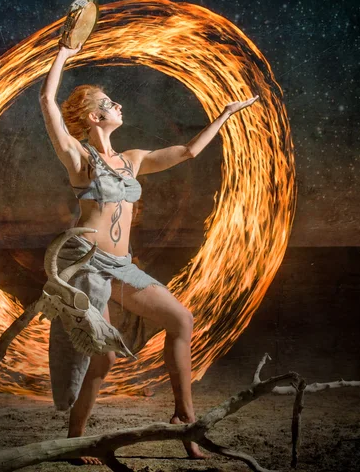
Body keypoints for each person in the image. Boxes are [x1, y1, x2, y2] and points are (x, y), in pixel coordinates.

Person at [40, 41, 258, 463]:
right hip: (85, 265)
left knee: (181, 319)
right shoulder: (78, 157)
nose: (118, 104)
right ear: (93, 116)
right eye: (109, 102)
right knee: (101, 361)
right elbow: (48, 99)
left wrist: (226, 115)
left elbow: (189, 151)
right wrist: (65, 53)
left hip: (122, 265)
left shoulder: (133, 159)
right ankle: (74, 440)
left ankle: (185, 418)